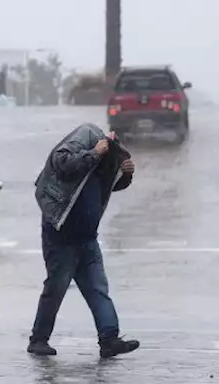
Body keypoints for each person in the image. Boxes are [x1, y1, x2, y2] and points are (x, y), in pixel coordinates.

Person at [29, 123, 140, 359]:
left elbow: (107, 184)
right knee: (56, 288)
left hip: (87, 237)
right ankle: (38, 340)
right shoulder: (86, 137)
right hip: (61, 233)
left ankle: (109, 340)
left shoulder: (108, 156)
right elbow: (62, 164)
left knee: (98, 289)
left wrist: (126, 174)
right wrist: (95, 153)